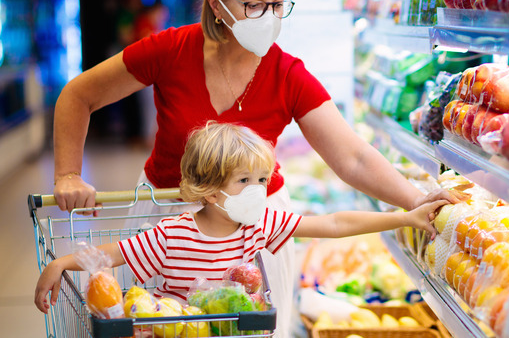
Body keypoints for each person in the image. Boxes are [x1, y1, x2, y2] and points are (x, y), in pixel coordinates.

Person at [49, 0, 459, 336]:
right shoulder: (171, 50)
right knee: (161, 325)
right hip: (168, 222)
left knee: (249, 328)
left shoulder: (287, 74)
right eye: (254, 5)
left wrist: (415, 201)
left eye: (278, 5)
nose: (269, 17)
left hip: (254, 227)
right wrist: (68, 173)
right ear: (217, 4)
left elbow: (352, 157)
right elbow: (78, 95)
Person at [35, 122, 446, 315]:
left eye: (263, 179)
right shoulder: (172, 235)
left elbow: (335, 224)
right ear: (210, 190)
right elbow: (112, 254)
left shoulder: (259, 224)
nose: (259, 190)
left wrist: (405, 217)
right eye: (245, 180)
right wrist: (60, 263)